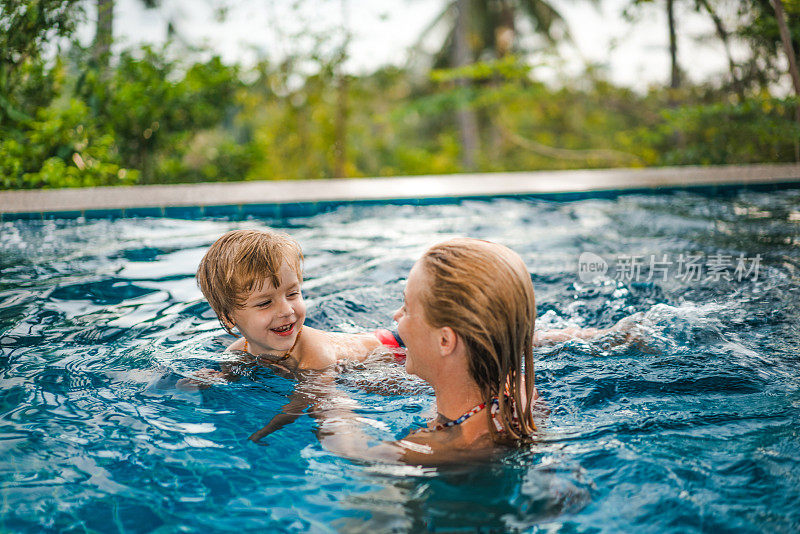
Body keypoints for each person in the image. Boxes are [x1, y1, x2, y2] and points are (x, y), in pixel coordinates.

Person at [318, 238, 544, 464]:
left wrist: (329, 399)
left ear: (445, 341)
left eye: (406, 307)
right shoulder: (516, 389)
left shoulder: (444, 448)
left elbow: (353, 452)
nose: (396, 315)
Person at [184, 228, 401, 384]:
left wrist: (273, 426)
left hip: (394, 347)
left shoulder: (313, 351)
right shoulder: (236, 352)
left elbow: (327, 406)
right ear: (229, 318)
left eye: (293, 293)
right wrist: (215, 381)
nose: (287, 310)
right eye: (265, 303)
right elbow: (233, 379)